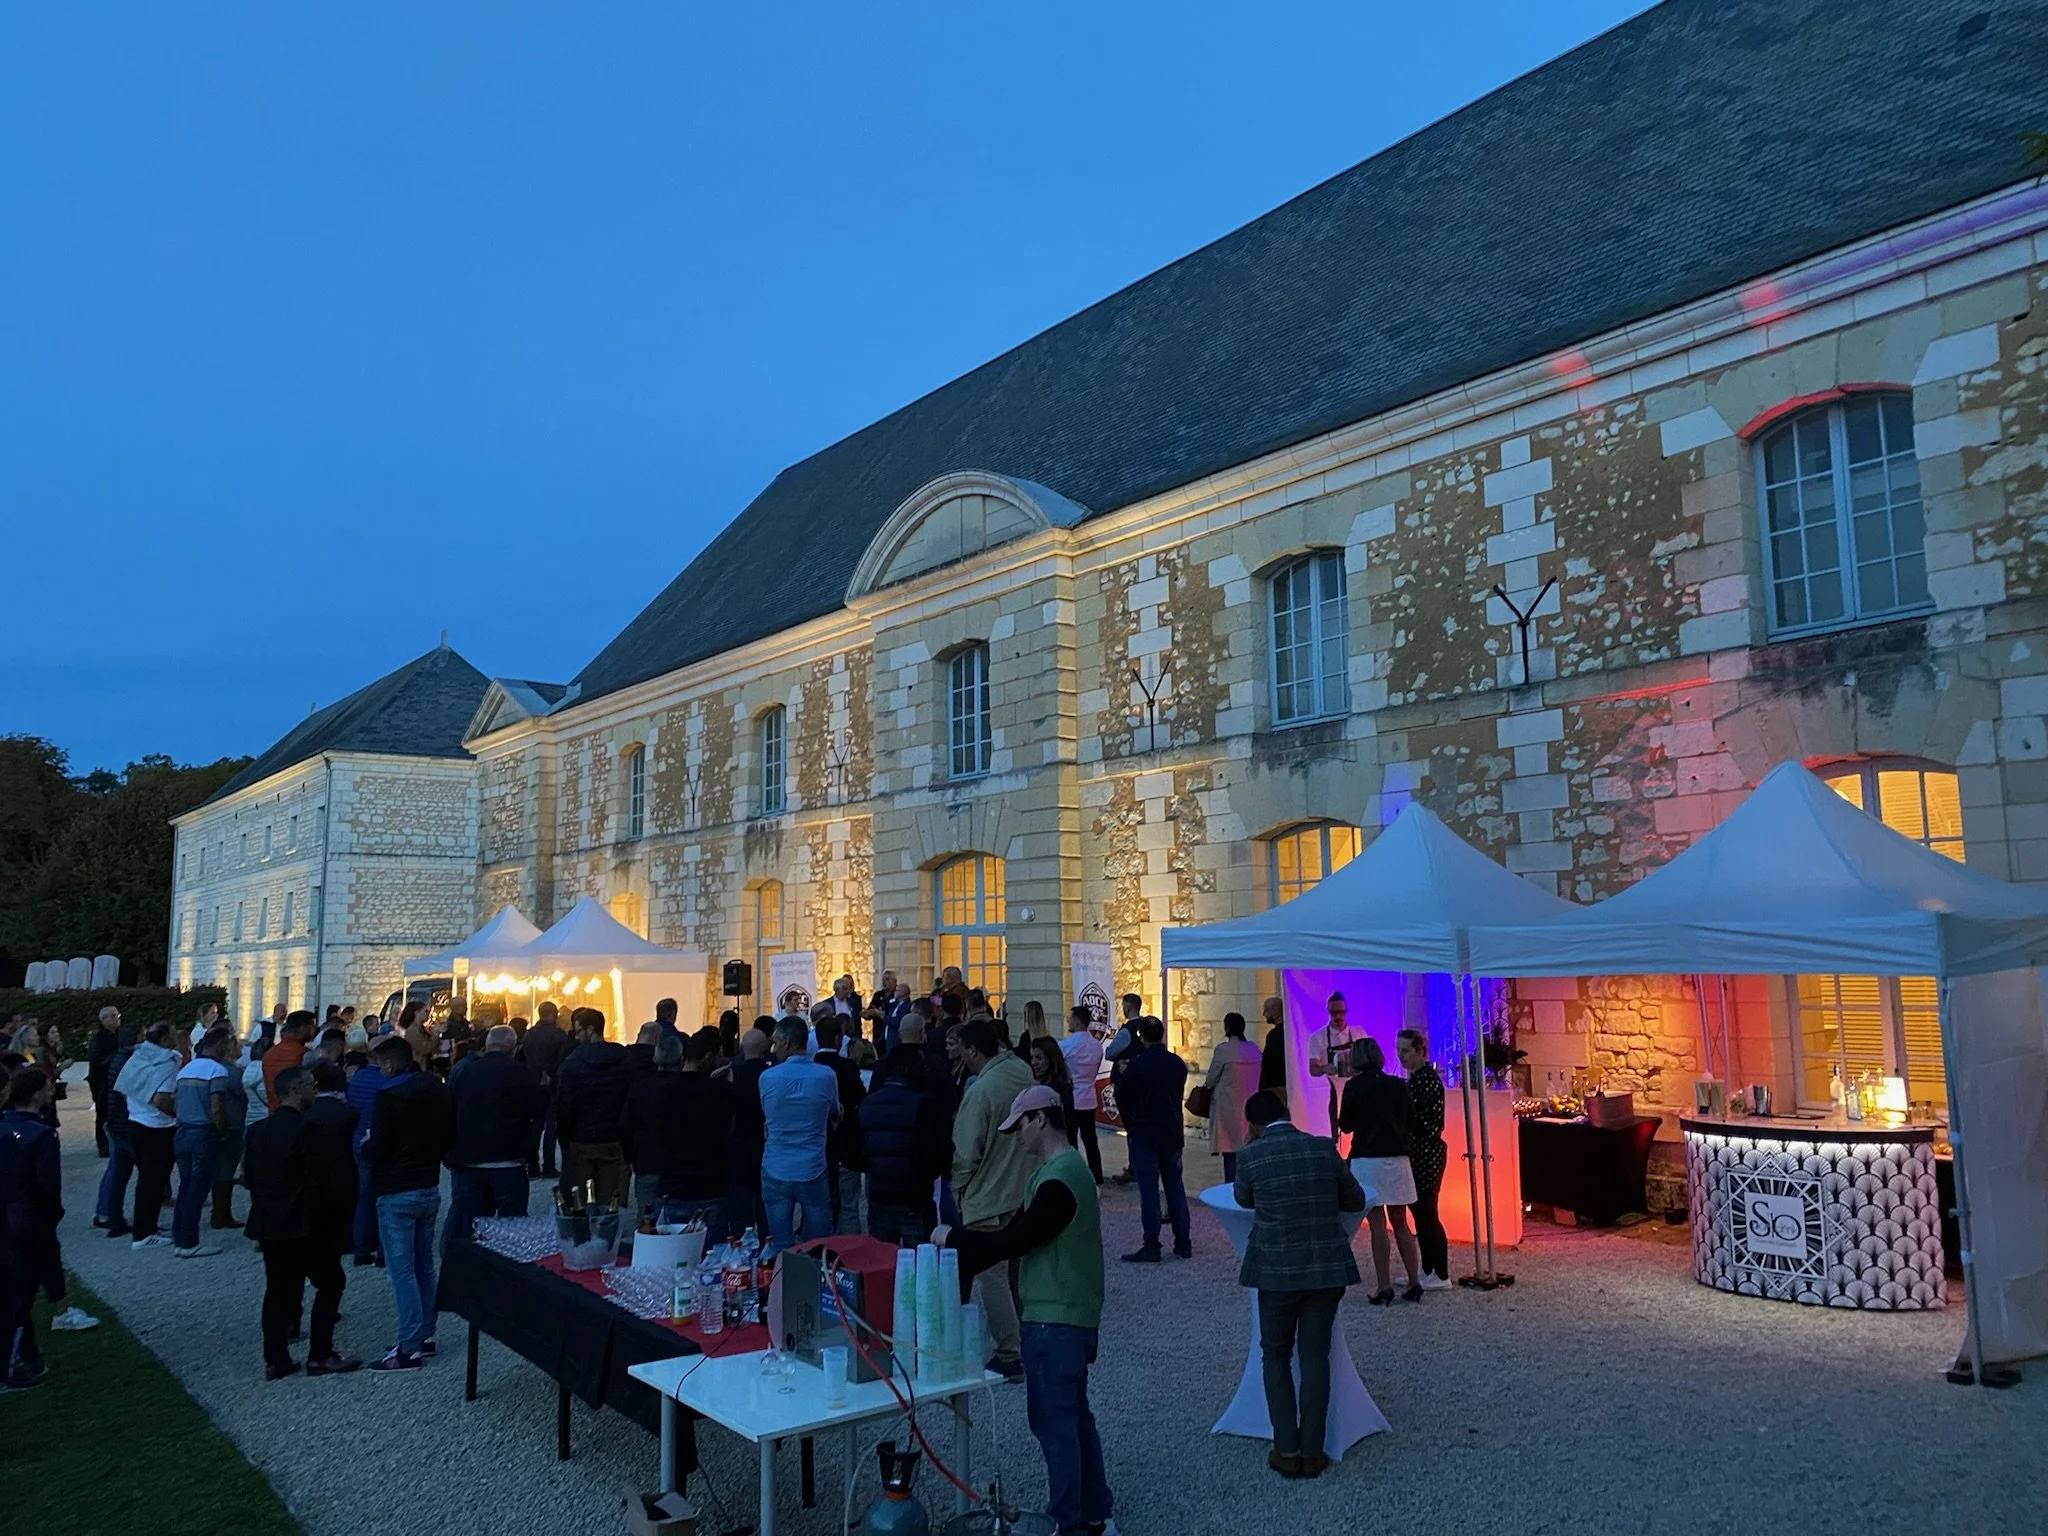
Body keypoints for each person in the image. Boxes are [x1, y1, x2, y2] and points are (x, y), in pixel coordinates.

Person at [934, 1085, 1113, 1536]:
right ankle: (1093, 1511)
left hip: (1056, 1318)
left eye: (1019, 1127)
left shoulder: (1060, 1177)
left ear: (1038, 1119)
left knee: (1055, 1425)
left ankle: (1066, 1522)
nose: (1016, 1137)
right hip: (1067, 1315)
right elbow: (1014, 1238)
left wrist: (953, 1240)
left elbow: (1017, 1240)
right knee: (1073, 1418)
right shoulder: (1059, 1172)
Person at [1232, 1089, 1366, 1479]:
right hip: (1325, 1268)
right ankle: (1313, 1450)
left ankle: (1286, 1449)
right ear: (1289, 1113)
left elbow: (1243, 1199)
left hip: (1276, 1272)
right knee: (1314, 1358)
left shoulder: (1251, 1156)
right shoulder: (1324, 1149)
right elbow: (1354, 1199)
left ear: (1254, 1126)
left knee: (1275, 1355)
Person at [244, 1066, 362, 1379]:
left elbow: (250, 1177)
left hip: (271, 1221)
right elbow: (322, 1180)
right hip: (306, 1221)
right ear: (297, 1089)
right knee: (330, 1282)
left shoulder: (257, 1131)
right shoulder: (310, 1129)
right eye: (310, 1085)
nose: (315, 1091)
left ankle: (276, 1357)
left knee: (278, 1289)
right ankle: (320, 1354)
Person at [950, 1018, 1036, 1380]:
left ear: (973, 1050)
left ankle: (1009, 1353)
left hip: (990, 1194)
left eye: (961, 1049)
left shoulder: (981, 1091)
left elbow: (966, 1152)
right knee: (1018, 1272)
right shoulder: (1021, 1070)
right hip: (1023, 1187)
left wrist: (959, 1189)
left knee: (992, 1276)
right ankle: (1028, 1341)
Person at [365, 1035, 455, 1371]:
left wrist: (367, 1146)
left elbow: (380, 1148)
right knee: (423, 1265)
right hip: (427, 1183)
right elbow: (449, 1136)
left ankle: (408, 1345)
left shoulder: (388, 1098)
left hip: (397, 1187)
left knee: (401, 1270)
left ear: (389, 1064)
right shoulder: (437, 1091)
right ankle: (425, 1335)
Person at [621, 1028, 736, 1231]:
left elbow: (627, 1127)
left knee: (660, 1240)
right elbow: (730, 1130)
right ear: (709, 1057)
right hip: (710, 1183)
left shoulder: (655, 1091)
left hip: (665, 1177)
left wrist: (633, 1157)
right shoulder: (721, 1092)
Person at [444, 1026, 545, 1256]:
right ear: (514, 1046)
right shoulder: (520, 1072)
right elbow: (535, 1109)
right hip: (508, 1160)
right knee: (512, 1229)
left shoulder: (464, 1072)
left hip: (469, 1160)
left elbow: (448, 1111)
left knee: (471, 1225)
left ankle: (468, 1273)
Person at [1336, 1037, 1423, 1305]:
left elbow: (1346, 1125)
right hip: (1397, 1158)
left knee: (1377, 1225)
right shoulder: (1399, 1084)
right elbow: (1412, 1122)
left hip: (1367, 1159)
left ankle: (1384, 1285)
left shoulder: (1354, 1087)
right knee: (1402, 1223)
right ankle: (1413, 1281)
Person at [857, 1020, 952, 1246]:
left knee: (883, 1262)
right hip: (914, 1194)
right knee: (920, 1263)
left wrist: (874, 1164)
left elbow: (857, 1150)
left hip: (880, 1192)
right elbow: (936, 1148)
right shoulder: (924, 1101)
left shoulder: (870, 1102)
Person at [0, 1067, 67, 1388]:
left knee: (13, 1294)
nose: (52, 1089)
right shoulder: (42, 1135)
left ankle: (26, 1354)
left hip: (9, 1217)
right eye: (48, 1085)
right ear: (38, 1092)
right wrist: (52, 1216)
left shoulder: (6, 1125)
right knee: (19, 1297)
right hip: (27, 1221)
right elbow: (48, 1187)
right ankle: (10, 1366)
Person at [756, 1017, 839, 1255]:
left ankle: (783, 1286)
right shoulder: (826, 1075)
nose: (774, 1048)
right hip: (812, 1164)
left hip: (776, 1165)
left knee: (781, 1244)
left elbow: (767, 1113)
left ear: (786, 1041)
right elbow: (835, 1112)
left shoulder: (767, 1077)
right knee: (820, 1243)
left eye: (777, 1042)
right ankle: (817, 1284)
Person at [1114, 1017, 1192, 1262]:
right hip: (1170, 1131)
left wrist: (1131, 1122)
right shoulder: (1177, 1064)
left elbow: (1122, 1095)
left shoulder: (1138, 1065)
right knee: (1174, 1188)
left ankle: (1151, 1244)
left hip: (1145, 1132)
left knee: (1149, 1191)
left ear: (1142, 1037)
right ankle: (1183, 1242)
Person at [553, 1008, 635, 1206]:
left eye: (578, 1031)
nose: (577, 1036)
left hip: (581, 1140)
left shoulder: (573, 1063)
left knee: (581, 1206)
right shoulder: (624, 1059)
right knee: (610, 1205)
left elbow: (564, 1104)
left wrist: (565, 1138)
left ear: (590, 1030)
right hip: (614, 1139)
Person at [115, 1021, 182, 1250]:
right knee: (152, 1182)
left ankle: (148, 1226)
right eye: (173, 1035)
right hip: (157, 1128)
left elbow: (125, 1088)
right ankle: (143, 1234)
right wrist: (178, 1115)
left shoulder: (140, 1056)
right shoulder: (166, 1062)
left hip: (136, 1122)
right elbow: (161, 1099)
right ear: (164, 1040)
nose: (176, 1038)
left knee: (148, 1180)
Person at [172, 1025, 238, 1259]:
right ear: (221, 1045)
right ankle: (189, 1242)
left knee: (185, 1186)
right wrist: (223, 1131)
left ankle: (178, 1236)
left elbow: (175, 1101)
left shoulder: (187, 1069)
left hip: (182, 1131)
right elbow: (217, 1108)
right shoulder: (216, 1071)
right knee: (197, 1190)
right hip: (203, 1132)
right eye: (229, 1044)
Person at [1397, 1027, 1452, 1288]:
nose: (1401, 1056)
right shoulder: (1419, 1079)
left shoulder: (1426, 1081)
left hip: (1426, 1154)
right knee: (1421, 1214)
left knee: (1427, 1214)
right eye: (1398, 1051)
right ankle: (1429, 1269)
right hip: (1420, 1153)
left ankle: (1440, 1273)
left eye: (1405, 1051)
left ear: (1420, 1051)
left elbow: (1423, 1123)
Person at [344, 1037, 401, 1266]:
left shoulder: (357, 1079)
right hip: (382, 1143)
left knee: (364, 1196)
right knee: (385, 1198)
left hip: (359, 1142)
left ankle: (360, 1248)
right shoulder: (389, 1083)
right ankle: (382, 1249)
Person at [810, 1009, 867, 1234]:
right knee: (848, 1206)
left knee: (816, 1205)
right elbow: (859, 1098)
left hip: (816, 1145)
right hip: (845, 1145)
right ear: (837, 1039)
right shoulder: (847, 1068)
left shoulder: (811, 1067)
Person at [94, 1020, 144, 1237]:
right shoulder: (128, 1061)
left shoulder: (119, 1058)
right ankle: (115, 1217)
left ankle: (109, 1215)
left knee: (118, 1171)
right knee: (127, 1171)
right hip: (124, 1122)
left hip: (116, 1120)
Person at [1204, 1012, 1264, 1182]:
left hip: (1228, 1107)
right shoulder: (1254, 1049)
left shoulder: (1223, 1050)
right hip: (1251, 1106)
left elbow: (1210, 1080)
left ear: (1227, 1028)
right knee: (1249, 1148)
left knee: (1230, 1152)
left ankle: (1231, 1190)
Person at [518, 999, 573, 1177]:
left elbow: (524, 1058)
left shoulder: (529, 1035)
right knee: (551, 1128)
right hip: (553, 1084)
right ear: (554, 1014)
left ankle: (532, 1166)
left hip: (532, 1084)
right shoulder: (559, 1035)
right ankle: (549, 1166)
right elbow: (562, 1060)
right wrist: (551, 1075)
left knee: (534, 1126)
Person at [727, 1025, 773, 1235]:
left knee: (740, 1216)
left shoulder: (732, 1075)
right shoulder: (772, 1074)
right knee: (767, 1212)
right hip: (767, 1146)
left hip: (739, 1148)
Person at [1305, 992, 1364, 1145]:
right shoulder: (1318, 1038)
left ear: (1347, 1011)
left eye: (1341, 1012)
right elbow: (1313, 1069)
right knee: (1335, 1126)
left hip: (1357, 1087)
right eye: (1334, 1013)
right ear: (1328, 1012)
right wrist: (1325, 1068)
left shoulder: (1358, 1034)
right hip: (1332, 1090)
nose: (1338, 1017)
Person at [1058, 1007, 1106, 1185]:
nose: (1067, 1021)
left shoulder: (1065, 1046)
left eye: (1070, 1018)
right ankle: (1097, 1176)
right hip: (1089, 1097)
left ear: (1077, 1021)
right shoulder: (1096, 1046)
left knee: (1071, 1140)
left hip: (1072, 1097)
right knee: (1091, 1141)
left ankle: (1072, 1175)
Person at [87, 1005, 121, 1157]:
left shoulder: (121, 1034)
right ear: (103, 1020)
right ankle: (103, 1144)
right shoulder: (98, 1039)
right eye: (113, 1016)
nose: (117, 1019)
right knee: (103, 1112)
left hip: (118, 1079)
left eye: (117, 1015)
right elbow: (96, 1059)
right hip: (102, 1081)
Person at [264, 1011, 316, 1111]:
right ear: (303, 1028)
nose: (314, 1030)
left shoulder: (269, 1053)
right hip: (297, 1113)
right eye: (312, 1026)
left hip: (274, 1112)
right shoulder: (304, 1053)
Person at [1029, 1035, 1077, 1139]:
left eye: (1038, 1058)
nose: (1033, 1063)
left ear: (1051, 1059)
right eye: (1032, 1057)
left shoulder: (1058, 1089)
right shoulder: (1042, 1084)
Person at [1257, 996, 1288, 1096]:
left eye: (1266, 1010)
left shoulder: (1274, 1035)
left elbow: (1270, 1064)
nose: (1264, 1014)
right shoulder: (1287, 1032)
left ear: (1275, 1011)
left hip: (1276, 1087)